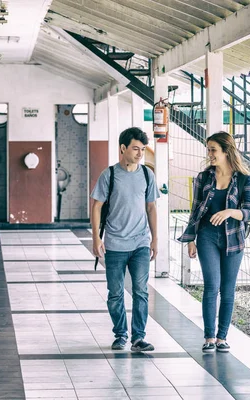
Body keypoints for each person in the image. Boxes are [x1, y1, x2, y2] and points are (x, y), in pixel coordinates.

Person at [178, 131, 250, 353]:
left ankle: (222, 337)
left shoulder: (243, 179)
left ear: (226, 151)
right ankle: (209, 337)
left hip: (234, 239)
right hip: (207, 237)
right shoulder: (203, 178)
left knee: (228, 289)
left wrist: (231, 211)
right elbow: (195, 210)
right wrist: (190, 238)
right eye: (208, 149)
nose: (209, 154)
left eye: (213, 150)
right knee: (211, 286)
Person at [91, 127, 158, 352]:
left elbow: (151, 207)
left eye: (142, 149)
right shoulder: (109, 175)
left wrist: (155, 239)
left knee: (141, 290)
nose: (140, 154)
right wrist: (95, 239)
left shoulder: (148, 175)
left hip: (140, 242)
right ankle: (120, 335)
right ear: (123, 148)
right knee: (116, 293)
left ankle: (138, 338)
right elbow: (97, 206)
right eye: (135, 149)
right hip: (115, 243)